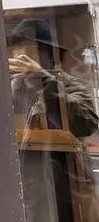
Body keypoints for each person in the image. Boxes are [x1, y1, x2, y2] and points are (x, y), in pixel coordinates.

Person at [8, 18, 99, 222]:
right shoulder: (12, 90)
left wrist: (44, 81)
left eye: (28, 50)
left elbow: (85, 124)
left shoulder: (69, 86)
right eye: (16, 49)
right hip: (27, 195)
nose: (20, 56)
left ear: (48, 55)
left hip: (67, 194)